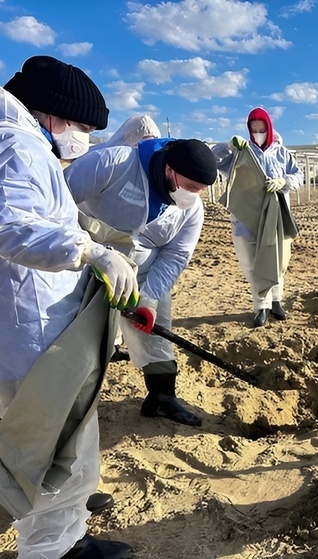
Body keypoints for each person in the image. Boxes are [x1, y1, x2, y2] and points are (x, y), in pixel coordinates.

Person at [1, 55, 138, 559]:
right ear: (53, 114)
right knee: (51, 445)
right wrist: (88, 251)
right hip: (30, 332)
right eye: (81, 125)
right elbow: (10, 226)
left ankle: (64, 535)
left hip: (26, 324)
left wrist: (86, 243)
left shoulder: (27, 144)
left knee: (36, 445)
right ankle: (55, 550)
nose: (83, 137)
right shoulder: (18, 147)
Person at [65, 137, 217, 427]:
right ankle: (65, 405)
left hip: (143, 268)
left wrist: (148, 298)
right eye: (192, 187)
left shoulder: (192, 209)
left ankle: (161, 397)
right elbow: (56, 200)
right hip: (87, 258)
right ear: (170, 170)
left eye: (201, 190)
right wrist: (86, 250)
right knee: (77, 334)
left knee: (156, 331)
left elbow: (176, 255)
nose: (195, 195)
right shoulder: (114, 164)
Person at [215, 107, 303, 327]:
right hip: (247, 218)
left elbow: (298, 175)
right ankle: (260, 306)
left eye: (261, 130)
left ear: (269, 128)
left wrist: (284, 182)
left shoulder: (282, 153)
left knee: (278, 258)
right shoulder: (241, 152)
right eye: (253, 131)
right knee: (253, 263)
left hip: (276, 217)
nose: (258, 135)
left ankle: (276, 301)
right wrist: (227, 145)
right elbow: (213, 161)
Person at [88, 114, 162, 363]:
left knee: (120, 292)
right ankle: (99, 346)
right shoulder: (103, 159)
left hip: (124, 242)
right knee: (95, 298)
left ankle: (115, 344)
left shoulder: (151, 170)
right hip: (94, 237)